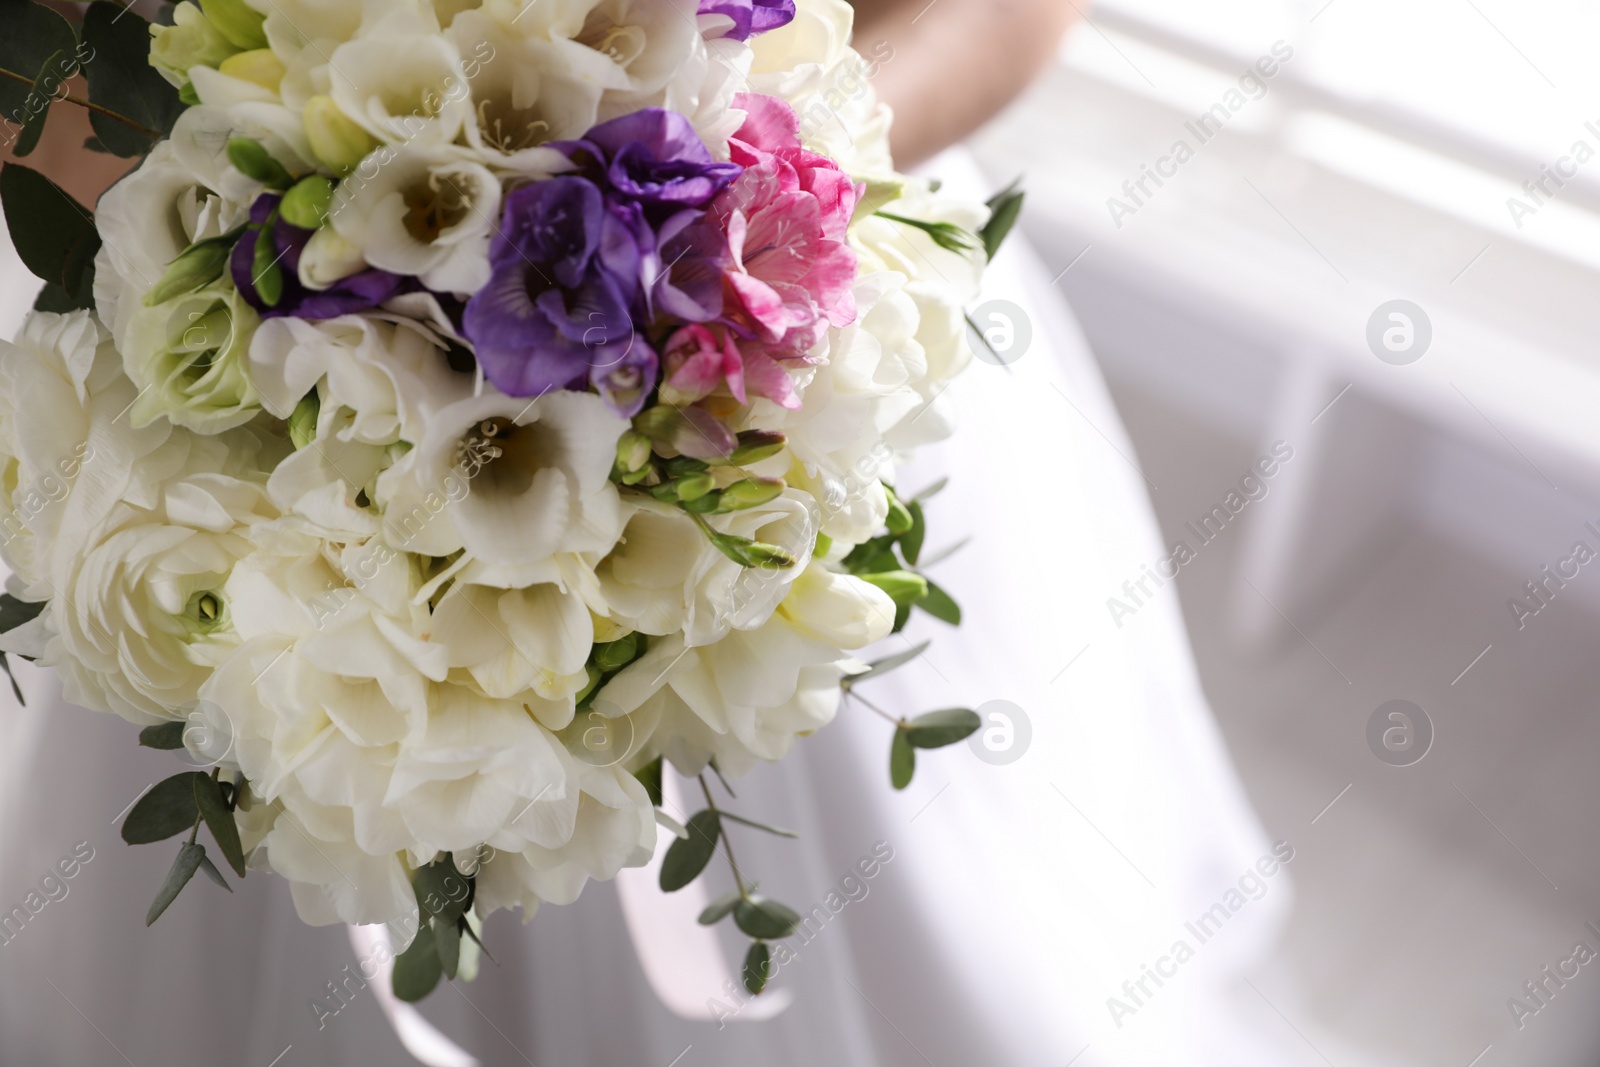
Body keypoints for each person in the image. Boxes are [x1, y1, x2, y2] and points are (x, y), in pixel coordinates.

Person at [0, 3, 1315, 1064]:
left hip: (775, 337)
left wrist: (725, 212)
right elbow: (48, 84)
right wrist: (333, 274)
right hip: (251, 421)